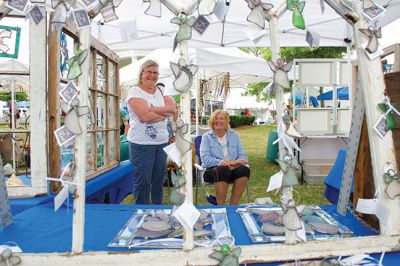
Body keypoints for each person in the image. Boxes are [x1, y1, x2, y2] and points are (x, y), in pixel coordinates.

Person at [126, 59, 177, 204]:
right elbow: (144, 117)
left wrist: (153, 110)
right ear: (142, 73)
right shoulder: (135, 91)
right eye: (149, 72)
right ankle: (141, 212)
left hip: (161, 142)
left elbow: (173, 110)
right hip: (141, 144)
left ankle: (157, 210)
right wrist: (163, 114)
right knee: (143, 181)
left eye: (155, 73)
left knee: (158, 179)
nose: (152, 75)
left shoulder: (161, 90)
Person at [200, 109, 250, 205]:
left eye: (221, 118)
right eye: (216, 118)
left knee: (244, 170)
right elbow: (205, 159)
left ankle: (232, 206)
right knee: (223, 169)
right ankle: (221, 207)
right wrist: (224, 163)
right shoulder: (206, 137)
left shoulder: (234, 135)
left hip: (233, 168)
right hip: (212, 170)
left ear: (227, 121)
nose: (218, 121)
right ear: (212, 121)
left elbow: (243, 157)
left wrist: (232, 163)